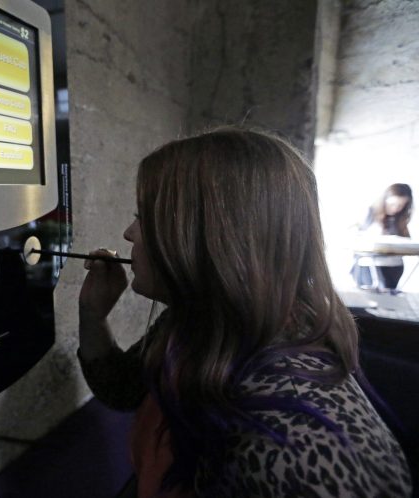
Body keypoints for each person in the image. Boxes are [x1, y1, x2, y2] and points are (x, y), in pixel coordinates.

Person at [78, 128, 412, 497]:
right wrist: (93, 315)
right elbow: (124, 389)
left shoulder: (290, 450)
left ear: (207, 236)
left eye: (143, 217)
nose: (128, 234)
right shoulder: (203, 320)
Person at [351, 183, 413, 292]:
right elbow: (353, 235)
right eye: (393, 204)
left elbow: (407, 241)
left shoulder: (400, 219)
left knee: (388, 304)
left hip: (393, 268)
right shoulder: (369, 213)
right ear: (385, 199)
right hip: (369, 266)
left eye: (400, 205)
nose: (395, 208)